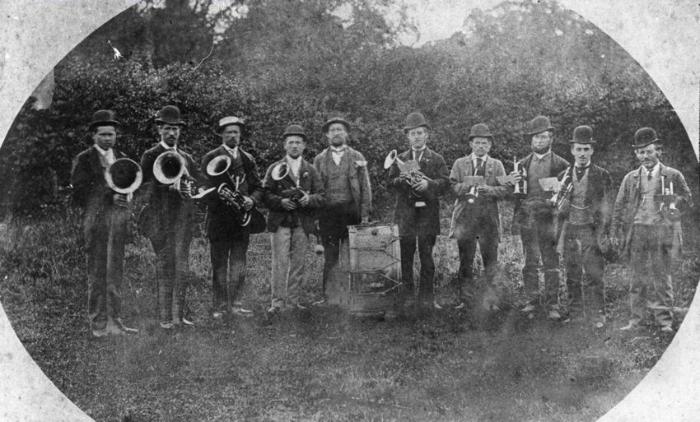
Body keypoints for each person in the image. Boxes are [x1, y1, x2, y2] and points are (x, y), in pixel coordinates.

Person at [611, 127, 692, 332]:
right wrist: (615, 231)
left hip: (661, 231)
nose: (644, 156)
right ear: (635, 154)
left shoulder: (672, 175)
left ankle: (664, 321)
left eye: (648, 151)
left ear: (658, 151)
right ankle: (635, 320)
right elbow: (619, 206)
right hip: (637, 231)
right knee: (636, 276)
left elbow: (688, 199)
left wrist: (674, 202)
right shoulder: (630, 178)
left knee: (661, 276)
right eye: (640, 152)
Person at [71, 109, 139, 337]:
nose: (108, 139)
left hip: (117, 223)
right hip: (96, 223)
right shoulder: (84, 159)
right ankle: (98, 324)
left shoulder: (121, 157)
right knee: (98, 273)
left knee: (115, 272)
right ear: (93, 135)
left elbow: (132, 183)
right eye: (103, 134)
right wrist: (109, 195)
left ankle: (115, 321)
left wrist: (127, 195)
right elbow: (79, 194)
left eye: (111, 134)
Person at [139, 105, 200, 329]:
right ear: (159, 130)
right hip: (160, 220)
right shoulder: (150, 155)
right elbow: (143, 188)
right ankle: (165, 318)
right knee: (165, 266)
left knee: (182, 267)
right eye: (167, 128)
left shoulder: (187, 158)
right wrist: (165, 186)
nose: (172, 133)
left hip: (182, 220)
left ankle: (178, 316)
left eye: (175, 128)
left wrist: (188, 184)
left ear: (180, 131)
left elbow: (197, 186)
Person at [200, 116, 264, 319]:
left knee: (239, 262)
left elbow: (258, 187)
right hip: (219, 219)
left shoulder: (248, 159)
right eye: (228, 132)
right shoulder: (211, 157)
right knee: (219, 263)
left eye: (236, 131)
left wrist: (251, 201)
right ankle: (219, 306)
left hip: (241, 219)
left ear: (240, 134)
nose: (232, 135)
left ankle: (236, 304)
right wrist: (216, 195)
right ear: (221, 134)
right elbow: (202, 187)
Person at [386, 112, 449, 309]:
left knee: (426, 258)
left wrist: (427, 185)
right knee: (405, 257)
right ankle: (407, 299)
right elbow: (389, 184)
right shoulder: (401, 158)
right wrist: (402, 180)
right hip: (406, 215)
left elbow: (446, 184)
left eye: (420, 132)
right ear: (408, 136)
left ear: (427, 135)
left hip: (427, 215)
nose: (417, 136)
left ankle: (427, 299)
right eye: (412, 133)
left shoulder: (436, 158)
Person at [511, 115, 569, 319]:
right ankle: (532, 301)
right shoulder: (523, 164)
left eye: (543, 137)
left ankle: (553, 304)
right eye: (536, 138)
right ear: (531, 140)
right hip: (528, 218)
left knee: (551, 261)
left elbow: (565, 195)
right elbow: (516, 194)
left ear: (551, 138)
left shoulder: (562, 164)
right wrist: (512, 183)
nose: (539, 141)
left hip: (550, 219)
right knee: (530, 262)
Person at [263, 125, 325, 312]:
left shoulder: (311, 170)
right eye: (291, 142)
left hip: (302, 223)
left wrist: (309, 199)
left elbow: (322, 195)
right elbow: (265, 194)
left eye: (298, 142)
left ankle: (293, 302)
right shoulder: (274, 168)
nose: (295, 146)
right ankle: (277, 303)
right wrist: (280, 201)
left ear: (304, 145)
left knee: (298, 263)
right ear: (285, 145)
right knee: (279, 262)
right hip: (280, 221)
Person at [555, 125, 614, 324]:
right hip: (570, 228)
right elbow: (557, 207)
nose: (582, 154)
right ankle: (575, 314)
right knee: (571, 273)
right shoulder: (562, 176)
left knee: (593, 273)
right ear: (572, 150)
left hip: (591, 229)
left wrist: (602, 232)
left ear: (592, 150)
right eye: (578, 149)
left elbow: (607, 207)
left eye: (586, 149)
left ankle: (598, 314)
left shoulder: (602, 175)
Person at [313, 114, 372, 302]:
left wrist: (364, 214)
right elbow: (314, 190)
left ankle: (350, 296)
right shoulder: (319, 159)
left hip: (350, 213)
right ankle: (330, 297)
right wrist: (315, 217)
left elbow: (365, 187)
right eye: (332, 130)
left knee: (350, 257)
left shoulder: (357, 157)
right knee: (331, 256)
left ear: (346, 133)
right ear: (327, 136)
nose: (336, 133)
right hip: (328, 214)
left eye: (339, 129)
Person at [448, 123, 508, 309]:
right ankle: (466, 300)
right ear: (471, 144)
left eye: (485, 143)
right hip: (466, 217)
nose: (481, 146)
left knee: (491, 261)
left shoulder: (497, 165)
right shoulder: (460, 164)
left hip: (488, 219)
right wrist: (467, 186)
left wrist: (489, 190)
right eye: (477, 142)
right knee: (465, 260)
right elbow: (451, 186)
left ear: (490, 146)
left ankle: (493, 301)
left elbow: (507, 188)